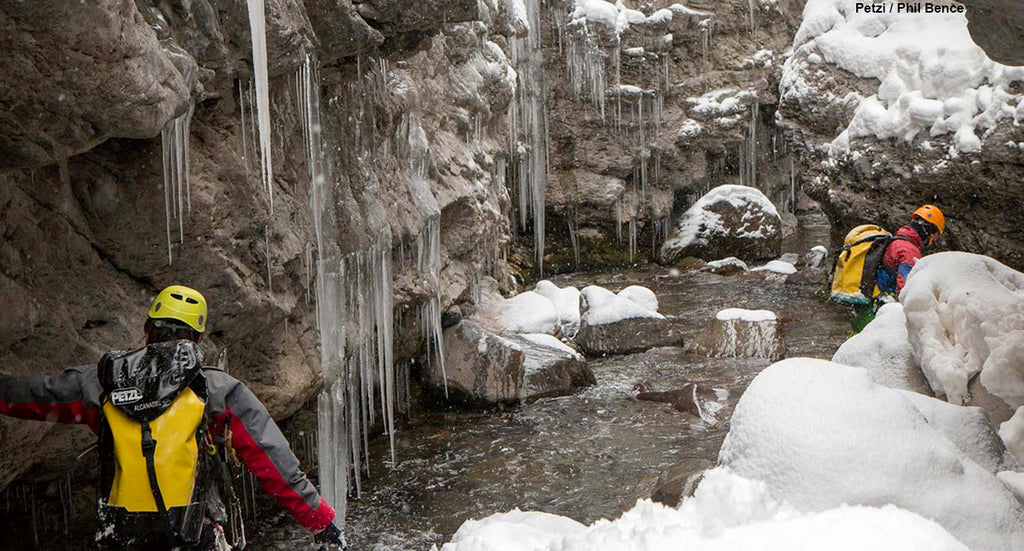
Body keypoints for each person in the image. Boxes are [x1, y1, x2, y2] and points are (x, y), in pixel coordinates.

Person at [0, 285, 347, 550]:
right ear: (196, 339)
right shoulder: (215, 388)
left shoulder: (99, 382)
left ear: (147, 331)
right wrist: (321, 522)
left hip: (122, 536)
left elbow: (33, 395)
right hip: (194, 533)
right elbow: (273, 462)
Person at [875, 204, 945, 296]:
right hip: (884, 304)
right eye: (934, 237)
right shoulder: (910, 251)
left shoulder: (895, 242)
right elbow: (906, 290)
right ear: (927, 231)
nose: (932, 242)